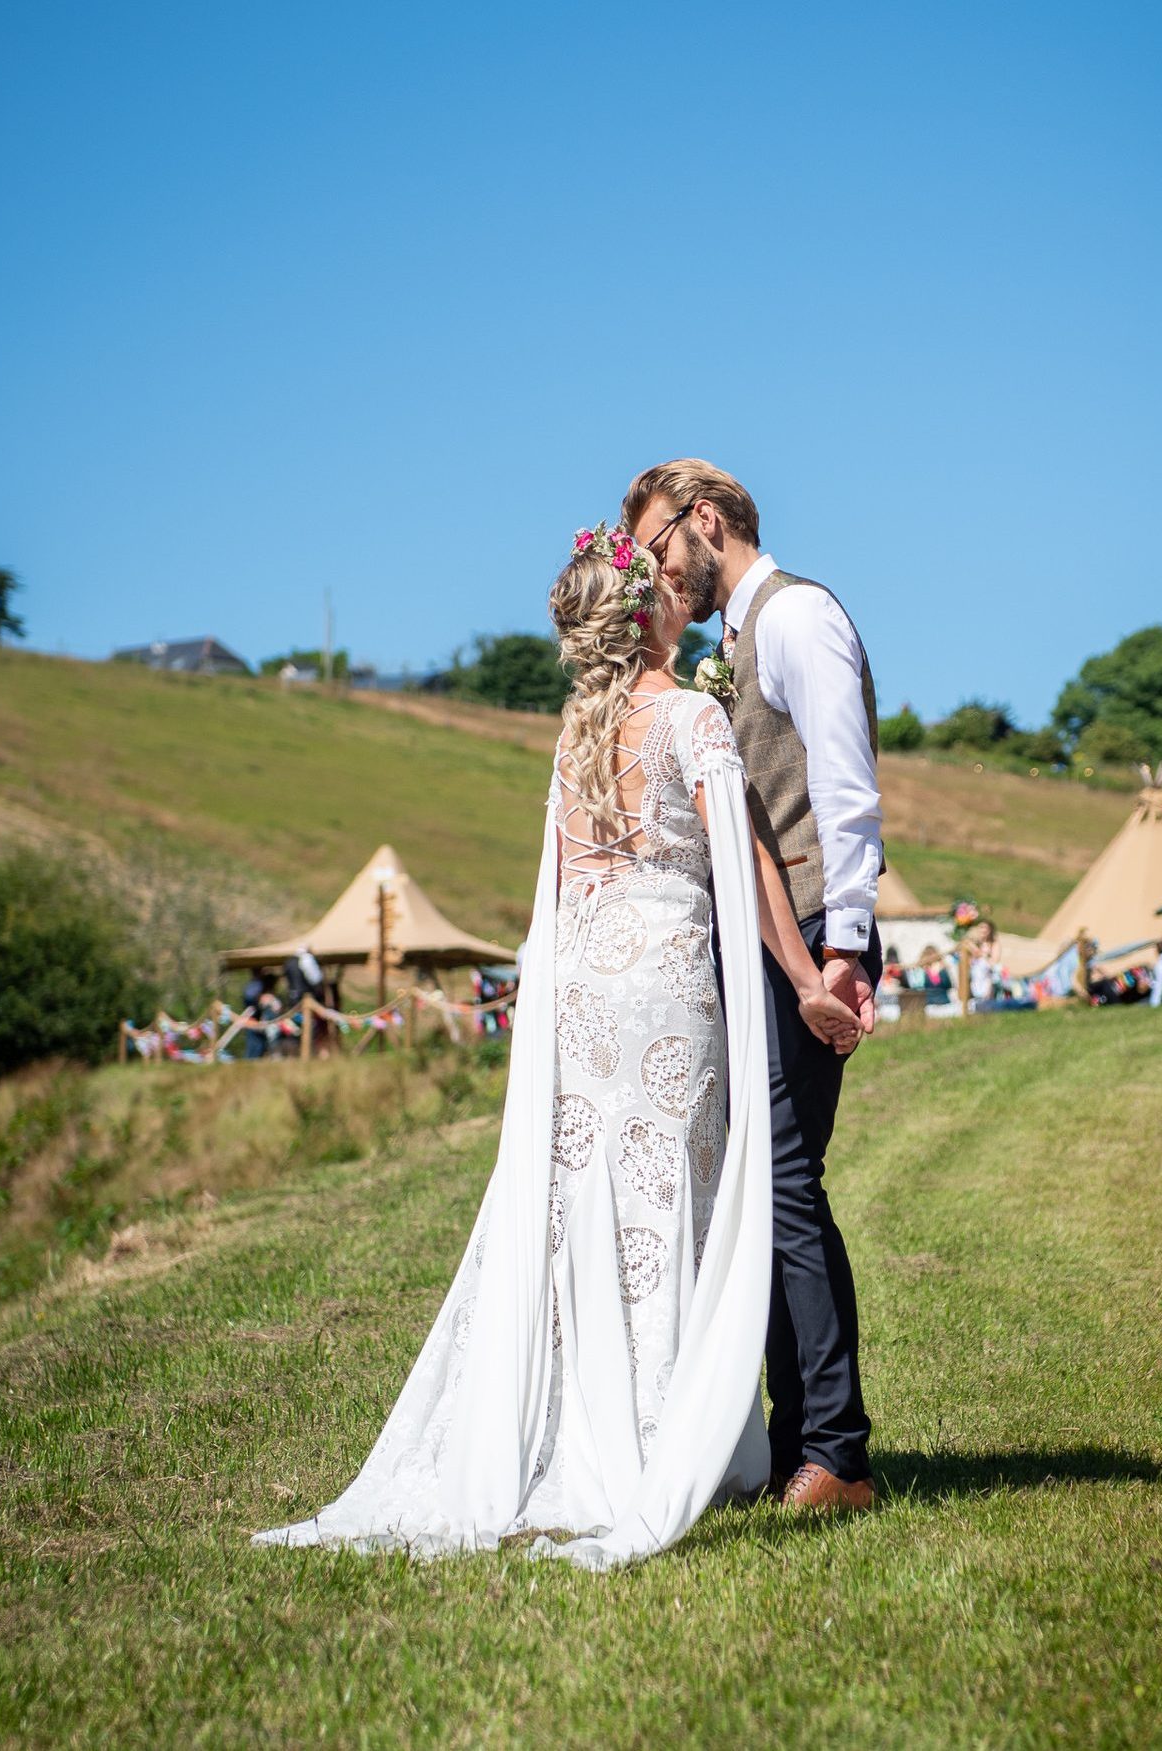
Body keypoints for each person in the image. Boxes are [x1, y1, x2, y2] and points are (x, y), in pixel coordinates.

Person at [251, 521, 858, 1571]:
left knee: (588, 1203)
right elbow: (746, 864)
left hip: (583, 980)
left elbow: (564, 881)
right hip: (665, 980)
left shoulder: (576, 734)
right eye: (663, 588)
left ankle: (578, 1429)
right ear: (649, 617)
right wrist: (805, 979)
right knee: (670, 1196)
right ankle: (671, 1439)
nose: (678, 595)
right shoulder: (690, 717)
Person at [624, 459, 883, 1512]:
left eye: (655, 545)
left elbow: (845, 782)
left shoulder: (798, 616)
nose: (650, 570)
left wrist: (848, 941)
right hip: (761, 934)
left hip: (816, 926)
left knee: (785, 1178)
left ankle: (838, 1453)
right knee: (770, 1182)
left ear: (705, 520)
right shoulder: (732, 643)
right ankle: (794, 1448)